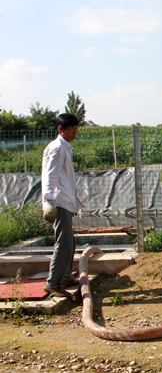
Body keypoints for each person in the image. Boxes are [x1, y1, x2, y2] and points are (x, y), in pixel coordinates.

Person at [41, 113, 84, 297]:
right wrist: (49, 201)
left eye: (76, 129)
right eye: (71, 129)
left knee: (70, 242)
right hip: (58, 202)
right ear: (61, 129)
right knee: (63, 243)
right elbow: (50, 175)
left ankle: (65, 275)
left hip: (65, 200)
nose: (74, 132)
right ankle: (53, 283)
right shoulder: (58, 148)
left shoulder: (65, 147)